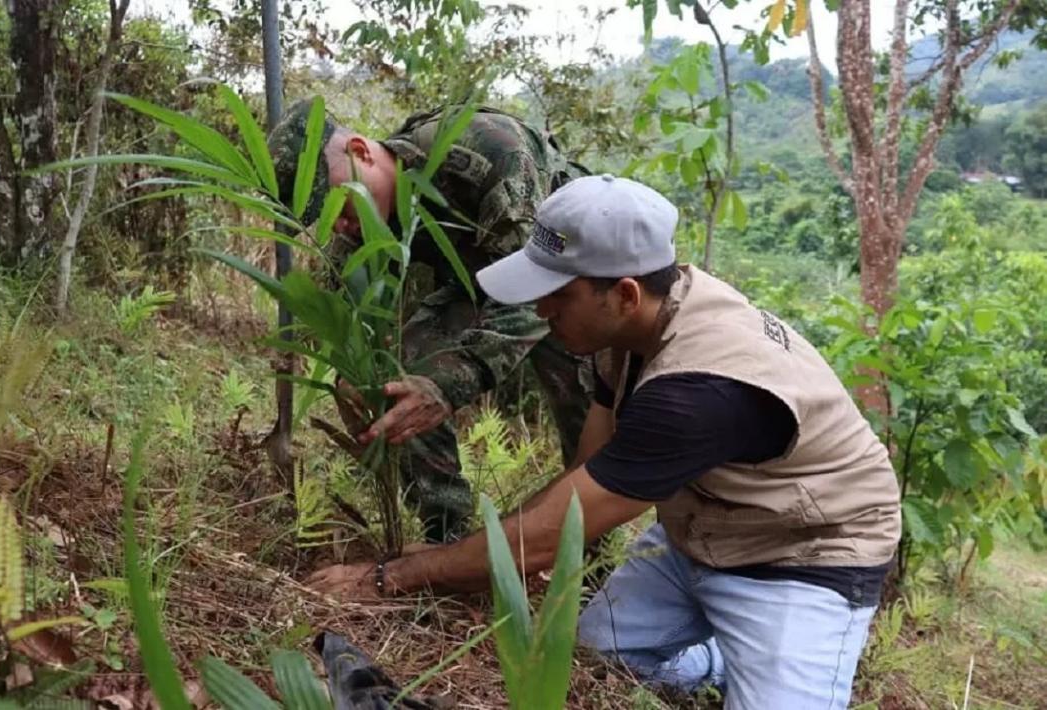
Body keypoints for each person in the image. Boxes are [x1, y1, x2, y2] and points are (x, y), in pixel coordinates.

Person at [306, 175, 903, 709]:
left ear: (622, 293)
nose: (540, 309)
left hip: (803, 555)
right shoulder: (640, 324)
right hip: (698, 526)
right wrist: (482, 552)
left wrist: (392, 576)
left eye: (557, 295)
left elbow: (548, 539)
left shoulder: (697, 390)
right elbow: (585, 482)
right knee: (597, 654)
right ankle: (722, 658)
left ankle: (765, 654)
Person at [268, 101, 592, 542]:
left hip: (574, 280)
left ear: (361, 151)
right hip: (485, 281)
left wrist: (448, 383)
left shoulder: (487, 151)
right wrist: (354, 368)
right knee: (398, 380)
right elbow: (352, 316)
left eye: (336, 204)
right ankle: (445, 541)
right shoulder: (365, 221)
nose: (337, 227)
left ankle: (592, 565)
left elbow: (534, 289)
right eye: (321, 221)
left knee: (590, 421)